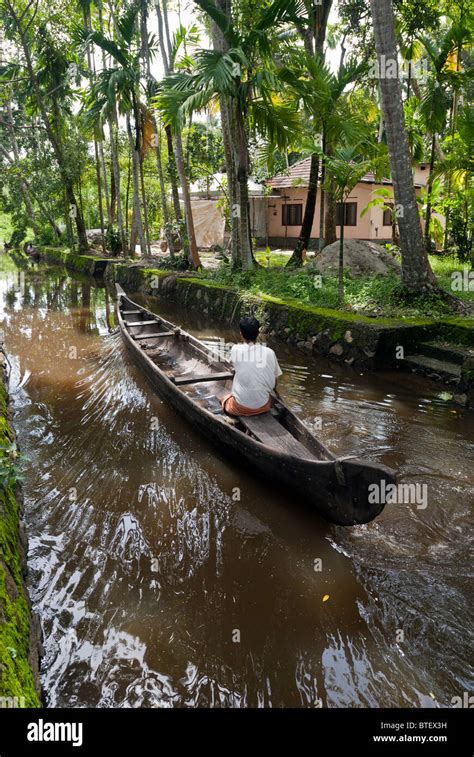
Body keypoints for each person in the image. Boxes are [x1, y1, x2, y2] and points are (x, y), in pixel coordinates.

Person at [221, 316, 282, 416]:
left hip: (240, 408)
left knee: (223, 399)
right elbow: (275, 383)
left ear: (241, 334)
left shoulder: (235, 349)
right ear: (258, 334)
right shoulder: (270, 352)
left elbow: (234, 366)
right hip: (263, 407)